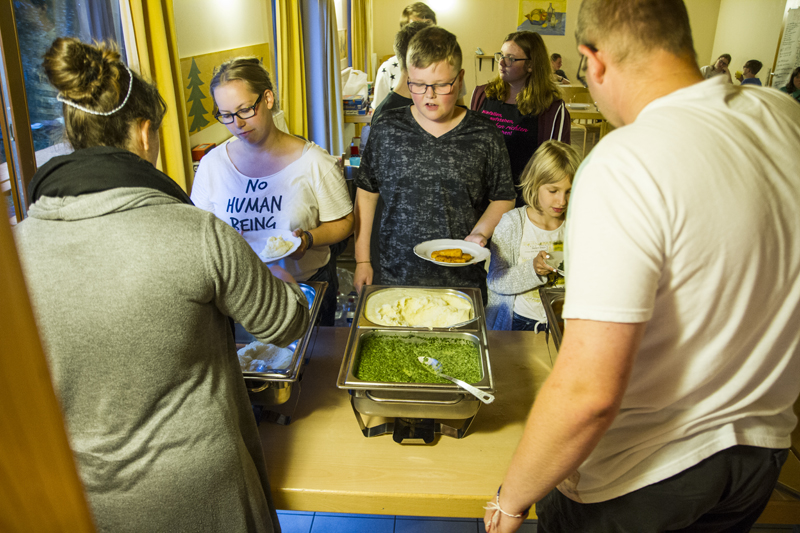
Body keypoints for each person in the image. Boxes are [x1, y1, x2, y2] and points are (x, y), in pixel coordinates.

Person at [483, 0, 800, 532]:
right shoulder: (781, 115)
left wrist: (511, 500)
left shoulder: (622, 164)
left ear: (593, 61)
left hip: (645, 473)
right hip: (759, 452)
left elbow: (588, 392)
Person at [14, 38, 310, 532]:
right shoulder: (196, 233)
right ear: (145, 132)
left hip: (81, 500)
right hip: (200, 494)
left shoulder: (15, 252)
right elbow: (287, 322)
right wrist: (280, 276)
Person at [191, 58, 354, 326]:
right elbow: (201, 230)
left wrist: (308, 239)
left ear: (267, 98)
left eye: (245, 110)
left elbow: (345, 222)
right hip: (241, 293)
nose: (237, 124)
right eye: (226, 115)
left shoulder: (314, 162)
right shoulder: (213, 165)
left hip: (306, 287)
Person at [354, 26, 515, 296]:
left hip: (462, 277)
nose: (429, 95)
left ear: (460, 78)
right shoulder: (387, 128)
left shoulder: (485, 133)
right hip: (395, 273)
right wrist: (362, 260)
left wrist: (480, 233)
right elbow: (367, 194)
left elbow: (504, 197)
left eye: (441, 85)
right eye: (418, 84)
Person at [485, 140, 580, 332]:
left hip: (563, 322)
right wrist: (533, 270)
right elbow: (495, 280)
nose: (562, 201)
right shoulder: (512, 224)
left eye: (569, 191)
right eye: (553, 191)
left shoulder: (577, 224)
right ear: (535, 184)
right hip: (520, 323)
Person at [471, 31, 570, 207]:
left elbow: (558, 166)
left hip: (524, 203)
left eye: (510, 58)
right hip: (482, 199)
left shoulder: (552, 108)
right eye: (501, 55)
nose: (501, 62)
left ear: (531, 65)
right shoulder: (481, 95)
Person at [372, 2, 437, 110]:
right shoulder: (387, 69)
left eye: (428, 26)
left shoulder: (449, 65)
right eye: (415, 26)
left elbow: (458, 107)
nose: (423, 33)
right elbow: (378, 112)